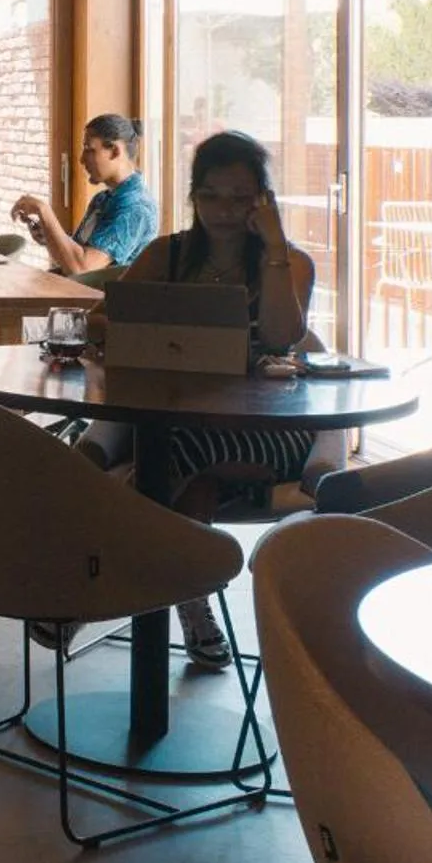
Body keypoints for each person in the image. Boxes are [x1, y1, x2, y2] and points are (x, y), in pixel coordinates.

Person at [100, 129, 318, 667]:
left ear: (262, 201)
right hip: (182, 418)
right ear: (193, 196)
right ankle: (193, 605)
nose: (224, 210)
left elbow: (282, 336)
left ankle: (91, 589)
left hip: (268, 426)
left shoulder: (290, 262)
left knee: (163, 459)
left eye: (240, 198)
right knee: (192, 476)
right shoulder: (167, 255)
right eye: (210, 196)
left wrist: (272, 248)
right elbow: (101, 320)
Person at [9, 112, 159, 277]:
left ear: (115, 151)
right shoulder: (102, 199)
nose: (81, 159)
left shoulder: (136, 208)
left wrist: (44, 210)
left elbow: (81, 269)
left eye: (89, 149)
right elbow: (74, 258)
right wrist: (49, 235)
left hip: (101, 294)